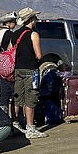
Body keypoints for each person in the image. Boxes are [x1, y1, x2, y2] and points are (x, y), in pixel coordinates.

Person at [12, 8, 47, 139]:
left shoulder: (15, 34)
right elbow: (38, 55)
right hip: (30, 70)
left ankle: (15, 124)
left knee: (17, 98)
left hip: (17, 69)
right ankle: (30, 127)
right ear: (31, 20)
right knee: (30, 98)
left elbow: (10, 51)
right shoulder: (33, 34)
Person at [0, 12, 18, 115]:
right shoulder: (9, 34)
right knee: (11, 92)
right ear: (8, 23)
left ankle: (2, 115)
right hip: (8, 65)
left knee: (4, 92)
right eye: (13, 22)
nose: (15, 24)